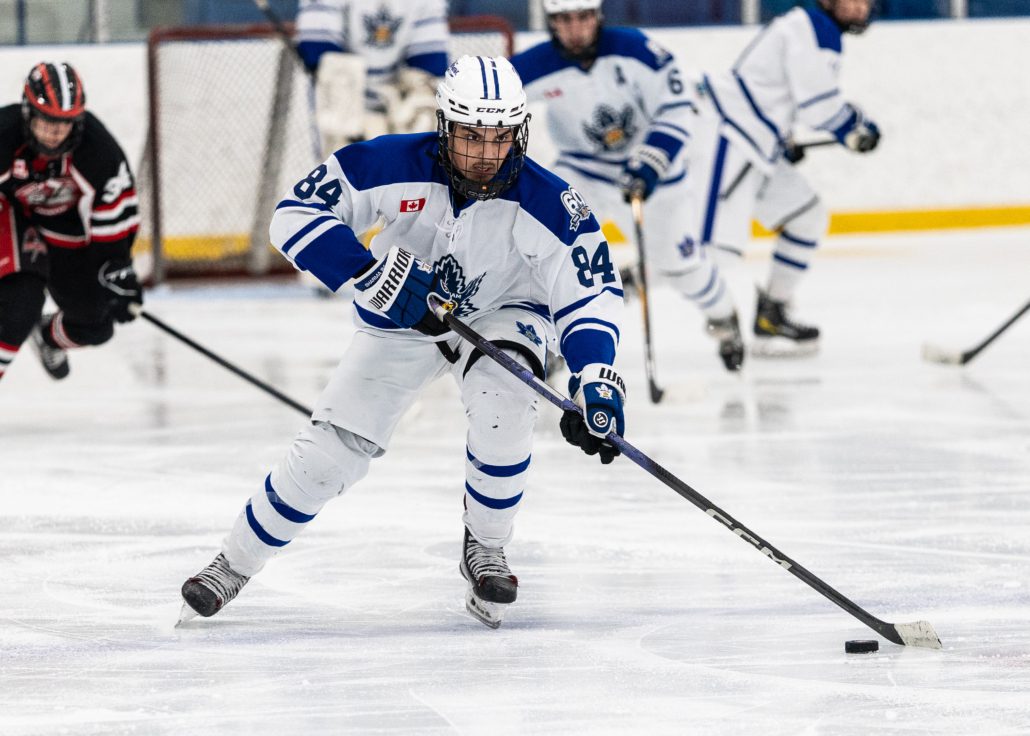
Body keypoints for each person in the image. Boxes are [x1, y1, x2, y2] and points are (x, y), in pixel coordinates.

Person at [179, 55, 627, 629]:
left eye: (500, 138)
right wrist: (369, 276)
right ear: (444, 127)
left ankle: (486, 544)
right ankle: (232, 564)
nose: (486, 155)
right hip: (403, 316)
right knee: (329, 453)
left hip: (504, 314)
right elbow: (293, 213)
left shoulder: (552, 202)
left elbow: (589, 293)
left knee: (507, 398)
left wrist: (596, 381)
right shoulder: (390, 161)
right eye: (470, 136)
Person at [510, 0, 744, 371]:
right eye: (565, 20)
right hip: (583, 169)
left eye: (583, 17)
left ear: (598, 16)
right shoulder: (534, 65)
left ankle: (725, 318)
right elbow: (491, 102)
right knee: (552, 244)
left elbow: (677, 106)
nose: (575, 28)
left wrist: (652, 161)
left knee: (681, 267)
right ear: (552, 22)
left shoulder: (638, 50)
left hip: (655, 174)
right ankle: (549, 341)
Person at [686, 0, 880, 357]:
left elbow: (772, 89)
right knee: (701, 253)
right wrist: (855, 126)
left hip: (756, 146)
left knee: (806, 216)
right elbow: (819, 106)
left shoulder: (809, 26)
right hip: (728, 138)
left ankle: (772, 313)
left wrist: (784, 139)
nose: (862, 6)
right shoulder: (815, 27)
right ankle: (616, 291)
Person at [0, 62, 142, 383]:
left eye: (64, 123)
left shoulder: (98, 149)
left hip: (64, 235)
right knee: (20, 304)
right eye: (47, 120)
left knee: (96, 324)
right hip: (11, 220)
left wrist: (116, 269)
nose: (55, 131)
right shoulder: (3, 135)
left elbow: (115, 211)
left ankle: (47, 337)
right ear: (28, 114)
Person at [296, 0, 450, 154]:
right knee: (342, 166)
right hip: (344, 108)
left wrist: (417, 107)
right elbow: (320, 52)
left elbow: (428, 63)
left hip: (394, 104)